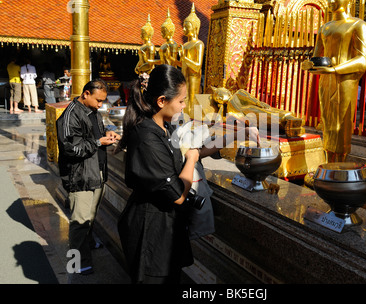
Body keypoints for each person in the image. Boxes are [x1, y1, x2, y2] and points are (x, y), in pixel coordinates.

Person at [116, 64, 257, 284]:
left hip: (169, 226)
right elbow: (178, 194)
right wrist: (191, 158)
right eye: (181, 101)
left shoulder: (166, 126)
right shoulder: (146, 138)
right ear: (162, 101)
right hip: (151, 230)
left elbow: (197, 149)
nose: (184, 106)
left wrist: (239, 134)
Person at [56, 79, 121, 275]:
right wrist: (97, 141)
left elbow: (95, 136)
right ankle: (77, 263)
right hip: (80, 175)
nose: (100, 105)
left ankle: (88, 244)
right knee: (80, 221)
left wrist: (107, 135)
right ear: (86, 94)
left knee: (90, 217)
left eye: (102, 101)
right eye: (98, 100)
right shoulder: (70, 115)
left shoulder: (92, 112)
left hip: (96, 171)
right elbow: (70, 148)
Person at [302, 0, 366, 163]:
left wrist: (335, 69)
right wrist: (308, 65)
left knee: (341, 125)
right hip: (326, 81)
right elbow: (317, 57)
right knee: (328, 124)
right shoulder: (325, 28)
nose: (331, 1)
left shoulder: (358, 25)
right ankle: (327, 163)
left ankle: (340, 164)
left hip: (345, 80)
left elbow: (362, 60)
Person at [179, 3, 204, 118]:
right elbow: (183, 64)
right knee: (183, 98)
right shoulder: (185, 45)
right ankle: (184, 118)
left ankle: (193, 120)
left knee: (192, 99)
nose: (184, 29)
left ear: (194, 27)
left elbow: (197, 66)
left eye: (186, 26)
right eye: (183, 26)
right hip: (184, 75)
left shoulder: (199, 44)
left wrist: (184, 58)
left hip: (194, 76)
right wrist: (174, 60)